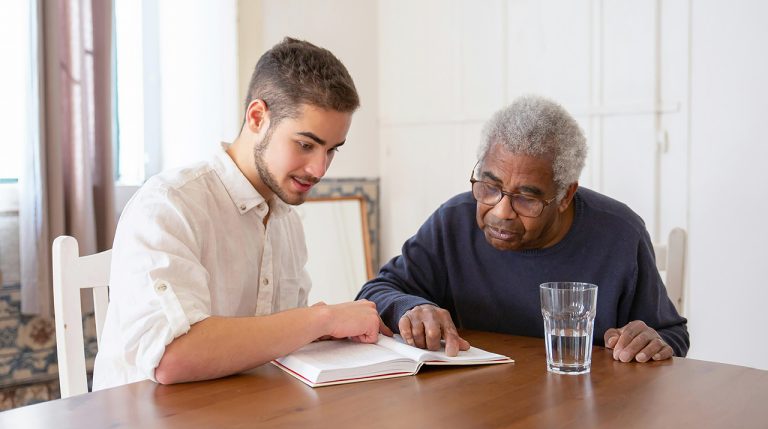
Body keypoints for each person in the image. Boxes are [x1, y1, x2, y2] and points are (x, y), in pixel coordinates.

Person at [93, 37, 391, 390]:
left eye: (331, 150)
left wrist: (335, 334)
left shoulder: (287, 221)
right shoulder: (170, 204)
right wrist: (322, 319)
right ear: (257, 117)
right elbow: (172, 358)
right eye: (305, 145)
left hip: (242, 411)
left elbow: (279, 340)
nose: (319, 169)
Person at [357, 95, 689, 363]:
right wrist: (411, 307)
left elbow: (671, 334)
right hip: (480, 407)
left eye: (526, 199)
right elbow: (374, 293)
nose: (500, 212)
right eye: (489, 187)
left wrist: (650, 340)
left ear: (564, 196)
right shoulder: (453, 222)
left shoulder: (619, 234)